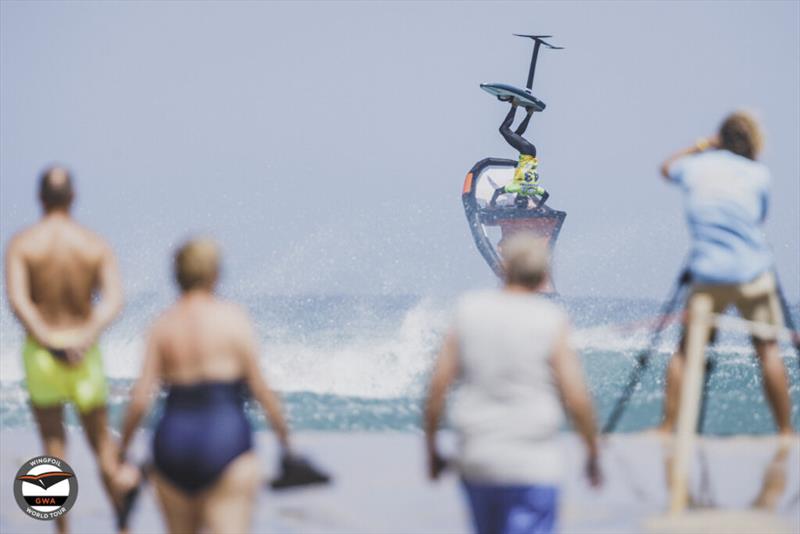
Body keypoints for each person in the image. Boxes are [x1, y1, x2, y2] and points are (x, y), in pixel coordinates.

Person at [424, 233, 600, 534]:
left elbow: (438, 387)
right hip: (534, 464)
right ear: (544, 273)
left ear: (503, 268)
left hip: (478, 458)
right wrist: (592, 453)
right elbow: (577, 397)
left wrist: (431, 451)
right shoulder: (550, 318)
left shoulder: (469, 309)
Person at [119, 238, 292, 534]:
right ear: (215, 273)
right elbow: (261, 390)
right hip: (227, 442)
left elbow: (140, 399)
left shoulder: (162, 325)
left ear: (177, 275)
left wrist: (120, 451)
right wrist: (287, 447)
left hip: (172, 444)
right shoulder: (233, 319)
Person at [4, 166, 129, 533]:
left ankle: (63, 531)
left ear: (40, 198)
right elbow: (114, 299)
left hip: (42, 354)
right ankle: (123, 526)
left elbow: (19, 301)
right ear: (73, 197)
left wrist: (46, 337)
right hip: (84, 352)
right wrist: (86, 335)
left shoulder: (23, 243)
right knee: (103, 447)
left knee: (53, 448)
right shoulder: (93, 244)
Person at [658, 111, 793, 437]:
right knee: (768, 350)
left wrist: (702, 146)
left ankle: (667, 427)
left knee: (687, 353)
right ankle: (786, 432)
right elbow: (759, 216)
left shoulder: (697, 168)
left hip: (708, 274)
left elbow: (666, 168)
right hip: (754, 272)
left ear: (720, 138)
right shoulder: (758, 174)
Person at [491, 102, 550, 209]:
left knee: (516, 135)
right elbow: (497, 191)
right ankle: (514, 104)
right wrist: (492, 203)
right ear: (517, 198)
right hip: (525, 150)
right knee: (503, 130)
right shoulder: (516, 187)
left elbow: (546, 195)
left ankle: (530, 113)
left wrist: (539, 206)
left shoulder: (534, 190)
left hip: (533, 152)